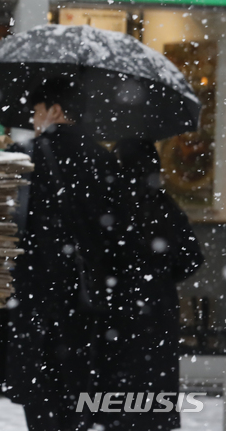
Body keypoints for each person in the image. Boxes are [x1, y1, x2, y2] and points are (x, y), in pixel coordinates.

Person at [0, 78, 122, 431]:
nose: (35, 120)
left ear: (55, 111)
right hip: (87, 299)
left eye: (38, 112)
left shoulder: (28, 156)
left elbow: (3, 223)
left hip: (34, 297)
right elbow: (117, 233)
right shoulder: (104, 159)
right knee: (78, 394)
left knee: (40, 396)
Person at [94, 138, 204, 431]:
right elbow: (192, 257)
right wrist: (162, 278)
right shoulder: (164, 205)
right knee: (155, 381)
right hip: (158, 306)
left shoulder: (108, 205)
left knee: (119, 381)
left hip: (117, 303)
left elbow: (97, 255)